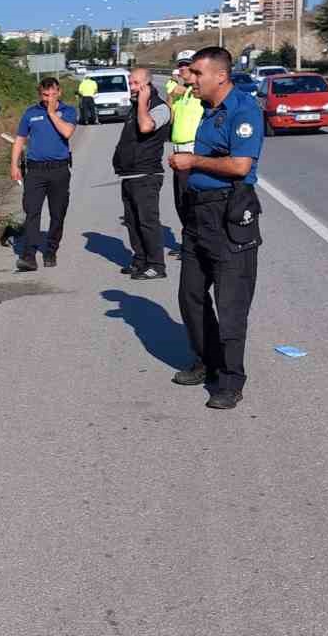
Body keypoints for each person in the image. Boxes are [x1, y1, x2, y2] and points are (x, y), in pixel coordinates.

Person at [166, 47, 264, 410]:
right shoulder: (207, 110)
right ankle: (206, 360)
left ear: (220, 76)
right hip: (198, 213)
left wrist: (192, 161)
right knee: (190, 295)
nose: (190, 79)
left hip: (229, 211)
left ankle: (230, 380)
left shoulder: (243, 110)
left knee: (231, 303)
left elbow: (240, 165)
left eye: (196, 73)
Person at [10, 77, 77, 272]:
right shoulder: (30, 113)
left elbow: (67, 133)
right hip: (36, 170)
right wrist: (14, 165)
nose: (49, 98)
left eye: (52, 94)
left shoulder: (69, 111)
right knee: (32, 211)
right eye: (45, 95)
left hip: (59, 170)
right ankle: (28, 256)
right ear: (40, 94)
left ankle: (51, 250)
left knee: (58, 213)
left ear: (59, 92)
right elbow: (20, 139)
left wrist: (52, 113)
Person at [111, 67, 172, 280]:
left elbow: (146, 127)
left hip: (146, 175)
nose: (132, 87)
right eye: (130, 83)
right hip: (129, 175)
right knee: (132, 222)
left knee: (147, 222)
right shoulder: (136, 107)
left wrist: (144, 102)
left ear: (148, 85)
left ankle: (156, 265)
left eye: (136, 83)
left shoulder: (159, 108)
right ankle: (140, 260)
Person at [165, 59, 205, 259]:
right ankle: (188, 242)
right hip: (178, 149)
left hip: (192, 150)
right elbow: (170, 118)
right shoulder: (182, 93)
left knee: (191, 201)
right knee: (180, 201)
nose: (182, 69)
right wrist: (172, 94)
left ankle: (195, 245)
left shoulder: (199, 92)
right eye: (180, 66)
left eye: (186, 66)